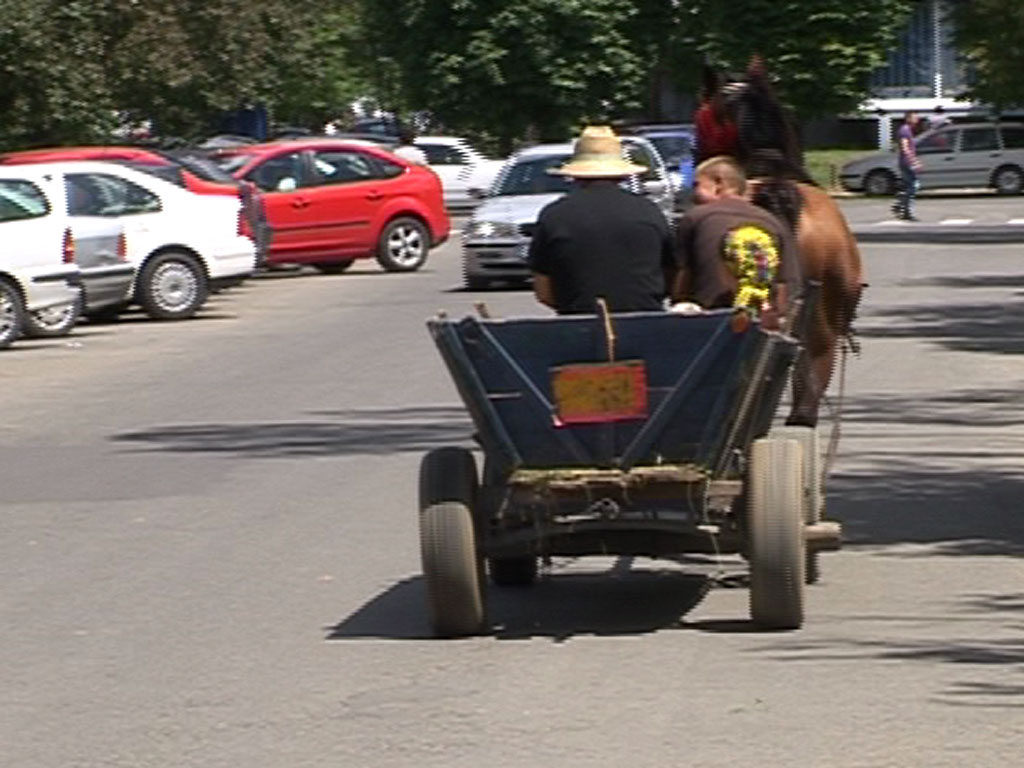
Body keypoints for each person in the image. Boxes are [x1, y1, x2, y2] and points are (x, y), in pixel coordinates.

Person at [528, 126, 675, 315]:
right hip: (645, 320)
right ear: (622, 173)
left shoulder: (554, 215)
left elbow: (543, 291)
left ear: (574, 174)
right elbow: (671, 274)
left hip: (579, 321)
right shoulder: (649, 211)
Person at [672, 156, 800, 330]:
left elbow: (682, 280)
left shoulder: (695, 217)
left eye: (697, 185)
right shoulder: (773, 222)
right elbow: (785, 285)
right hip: (763, 325)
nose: (694, 195)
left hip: (711, 323)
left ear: (719, 184)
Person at [892, 112, 922, 221]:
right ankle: (906, 210)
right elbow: (905, 148)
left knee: (909, 185)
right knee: (914, 185)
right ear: (908, 118)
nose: (917, 119)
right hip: (906, 162)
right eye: (915, 117)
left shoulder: (907, 130)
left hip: (906, 161)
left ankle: (900, 205)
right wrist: (913, 161)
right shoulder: (904, 130)